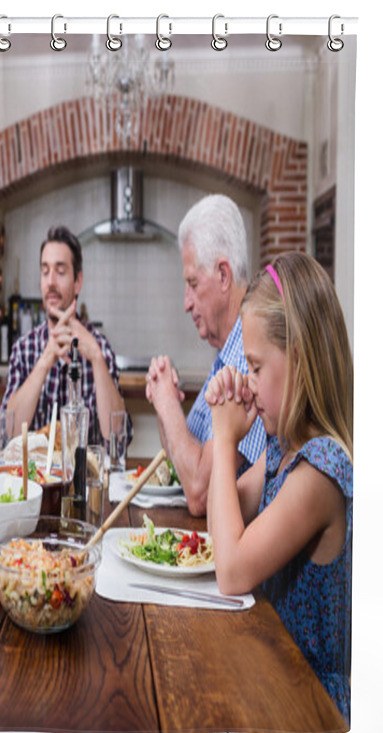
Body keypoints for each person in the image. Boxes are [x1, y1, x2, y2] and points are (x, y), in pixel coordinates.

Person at [205, 252, 353, 723]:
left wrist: (225, 437)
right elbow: (222, 528)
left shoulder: (319, 472)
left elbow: (230, 572)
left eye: (255, 367)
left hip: (311, 706)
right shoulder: (284, 448)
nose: (248, 383)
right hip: (273, 675)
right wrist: (226, 425)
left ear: (301, 360)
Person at [146, 195, 266, 516]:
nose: (186, 302)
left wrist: (168, 403)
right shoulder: (225, 353)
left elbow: (199, 493)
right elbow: (181, 463)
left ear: (223, 275)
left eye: (192, 283)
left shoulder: (246, 358)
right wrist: (164, 399)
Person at [2, 225, 130, 446]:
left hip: (86, 479)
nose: (50, 281)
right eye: (45, 271)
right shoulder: (24, 349)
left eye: (60, 272)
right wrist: (45, 360)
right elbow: (9, 433)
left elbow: (117, 438)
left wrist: (97, 359)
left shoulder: (100, 347)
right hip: (35, 480)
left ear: (77, 281)